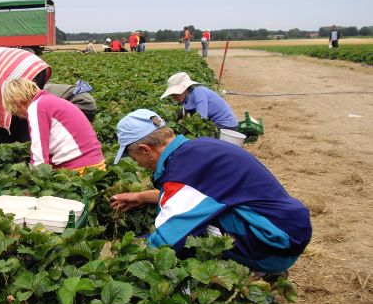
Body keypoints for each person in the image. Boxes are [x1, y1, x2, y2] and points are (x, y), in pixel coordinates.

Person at [109, 109, 311, 278]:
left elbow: (167, 238)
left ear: (145, 150)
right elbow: (190, 193)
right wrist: (140, 197)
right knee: (201, 212)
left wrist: (126, 258)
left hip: (273, 244)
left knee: (193, 231)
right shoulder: (198, 149)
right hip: (283, 230)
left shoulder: (183, 169)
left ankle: (255, 273)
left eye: (135, 159)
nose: (139, 165)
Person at [2, 79, 105, 173]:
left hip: (80, 169)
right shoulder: (52, 100)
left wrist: (32, 180)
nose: (19, 117)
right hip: (97, 166)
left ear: (18, 103)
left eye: (15, 112)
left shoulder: (37, 107)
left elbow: (40, 157)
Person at [160, 72, 238, 130]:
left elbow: (201, 119)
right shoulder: (187, 98)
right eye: (172, 95)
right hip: (215, 124)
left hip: (226, 126)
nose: (174, 97)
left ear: (184, 89)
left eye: (175, 94)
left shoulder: (199, 92)